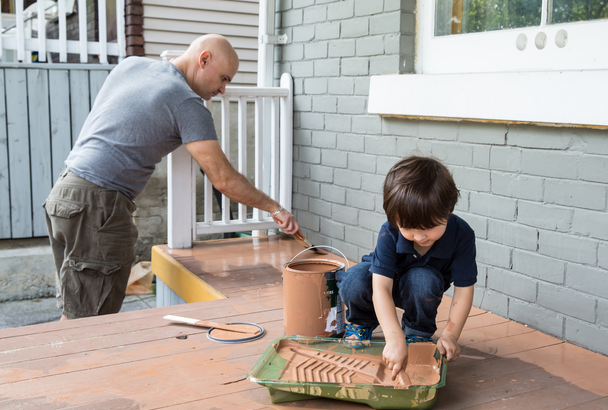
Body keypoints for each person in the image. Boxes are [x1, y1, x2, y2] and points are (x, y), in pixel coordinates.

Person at [43, 34, 299, 321]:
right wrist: (275, 208)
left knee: (76, 309)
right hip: (99, 205)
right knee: (91, 320)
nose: (223, 90)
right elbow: (224, 179)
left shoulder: (132, 65)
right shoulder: (187, 103)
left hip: (65, 194)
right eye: (224, 78)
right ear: (204, 60)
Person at [337, 155, 477, 380]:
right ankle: (362, 322)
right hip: (383, 282)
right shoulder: (389, 231)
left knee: (423, 279)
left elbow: (464, 288)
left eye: (430, 227)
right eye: (409, 228)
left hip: (421, 290)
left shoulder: (462, 235)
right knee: (353, 280)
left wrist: (451, 335)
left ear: (449, 210)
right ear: (394, 219)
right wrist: (393, 338)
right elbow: (381, 288)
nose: (420, 236)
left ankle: (417, 333)